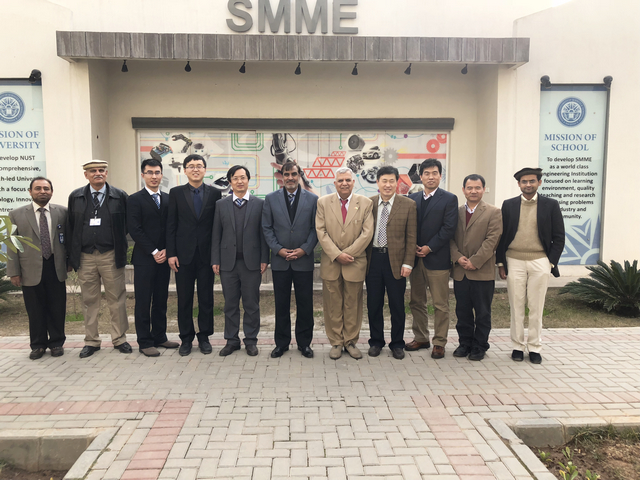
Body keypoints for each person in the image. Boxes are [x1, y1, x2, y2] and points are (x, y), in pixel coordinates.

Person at [497, 167, 565, 364]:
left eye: (532, 181)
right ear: (519, 184)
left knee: (536, 307)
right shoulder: (508, 205)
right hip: (514, 260)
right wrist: (501, 263)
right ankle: (517, 346)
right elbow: (501, 236)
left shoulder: (551, 205)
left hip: (540, 260)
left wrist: (550, 262)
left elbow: (559, 237)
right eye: (524, 181)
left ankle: (534, 347)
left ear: (539, 183)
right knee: (516, 305)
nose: (528, 184)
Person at [67, 160, 130, 358]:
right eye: (93, 171)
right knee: (89, 300)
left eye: (101, 170)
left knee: (117, 298)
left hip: (110, 254)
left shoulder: (119, 196)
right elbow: (71, 226)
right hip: (85, 256)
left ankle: (119, 339)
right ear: (86, 175)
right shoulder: (76, 196)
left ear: (106, 173)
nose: (98, 173)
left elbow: (126, 224)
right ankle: (91, 341)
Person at [166, 154, 221, 356]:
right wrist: (171, 253)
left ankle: (204, 337)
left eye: (199, 166)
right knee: (184, 299)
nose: (195, 169)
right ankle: (186, 338)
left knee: (206, 299)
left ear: (205, 170)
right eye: (191, 166)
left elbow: (217, 227)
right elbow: (171, 225)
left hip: (206, 256)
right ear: (185, 170)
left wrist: (216, 256)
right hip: (183, 256)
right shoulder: (176, 193)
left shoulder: (215, 193)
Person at [7, 177, 68, 360]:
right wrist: (14, 272)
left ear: (51, 192)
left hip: (55, 267)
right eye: (38, 188)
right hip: (29, 269)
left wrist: (71, 262)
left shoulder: (63, 212)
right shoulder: (16, 215)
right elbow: (12, 245)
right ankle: (38, 345)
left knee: (57, 307)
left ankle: (56, 343)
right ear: (30, 191)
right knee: (34, 309)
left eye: (46, 188)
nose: (42, 191)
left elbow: (69, 238)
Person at [316, 166, 373, 360]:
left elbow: (367, 233)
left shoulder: (365, 203)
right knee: (332, 304)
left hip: (354, 262)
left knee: (352, 304)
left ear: (353, 182)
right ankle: (336, 342)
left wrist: (347, 254)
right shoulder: (323, 203)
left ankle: (350, 341)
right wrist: (336, 254)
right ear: (335, 183)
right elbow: (321, 231)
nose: (344, 183)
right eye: (340, 180)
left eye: (348, 180)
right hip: (331, 262)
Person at [262, 161, 318, 359]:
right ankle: (281, 343)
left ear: (299, 176)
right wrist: (278, 250)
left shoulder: (312, 199)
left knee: (305, 305)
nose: (290, 178)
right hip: (281, 262)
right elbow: (267, 228)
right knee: (281, 305)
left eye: (294, 174)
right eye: (286, 174)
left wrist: (304, 249)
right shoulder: (271, 199)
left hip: (303, 261)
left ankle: (305, 343)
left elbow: (315, 228)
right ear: (282, 177)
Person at [212, 165, 268, 357]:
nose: (239, 181)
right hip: (228, 264)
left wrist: (264, 258)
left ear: (248, 180)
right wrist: (215, 259)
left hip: (251, 263)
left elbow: (263, 234)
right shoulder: (221, 205)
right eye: (235, 178)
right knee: (230, 304)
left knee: (251, 304)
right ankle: (231, 340)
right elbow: (216, 234)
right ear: (230, 182)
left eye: (243, 177)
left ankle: (251, 340)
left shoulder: (259, 204)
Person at [127, 159, 179, 357]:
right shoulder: (134, 199)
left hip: (164, 258)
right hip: (145, 258)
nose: (154, 176)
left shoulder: (168, 199)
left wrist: (166, 250)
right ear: (143, 175)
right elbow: (135, 229)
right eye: (150, 172)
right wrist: (154, 251)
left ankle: (160, 336)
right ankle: (145, 341)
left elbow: (172, 227)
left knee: (160, 299)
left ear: (162, 175)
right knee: (143, 301)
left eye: (157, 172)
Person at [406, 158, 458, 359]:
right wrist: (413, 246)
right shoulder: (412, 198)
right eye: (426, 173)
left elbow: (449, 228)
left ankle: (439, 342)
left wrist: (430, 247)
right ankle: (421, 337)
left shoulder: (449, 199)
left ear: (440, 176)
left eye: (434, 173)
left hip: (437, 259)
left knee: (440, 304)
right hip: (416, 259)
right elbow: (408, 226)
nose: (430, 177)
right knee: (416, 301)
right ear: (421, 176)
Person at [365, 166, 417, 360]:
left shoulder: (408, 205)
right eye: (384, 181)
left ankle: (397, 343)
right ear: (377, 182)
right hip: (373, 260)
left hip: (396, 261)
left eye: (391, 181)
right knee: (374, 304)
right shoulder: (368, 203)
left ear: (397, 182)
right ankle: (376, 341)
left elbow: (411, 237)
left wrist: (408, 263)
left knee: (397, 304)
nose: (387, 185)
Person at [450, 174, 502, 361]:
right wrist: (458, 257)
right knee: (462, 311)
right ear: (463, 190)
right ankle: (465, 343)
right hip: (460, 271)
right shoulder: (455, 212)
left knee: (482, 312)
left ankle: (480, 345)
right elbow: (449, 238)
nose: (473, 191)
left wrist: (475, 261)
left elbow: (492, 240)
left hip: (482, 271)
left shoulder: (493, 212)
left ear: (483, 190)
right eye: (469, 188)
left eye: (477, 188)